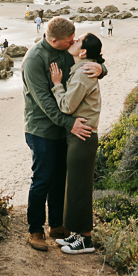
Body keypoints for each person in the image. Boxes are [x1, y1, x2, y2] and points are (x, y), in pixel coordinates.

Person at [21, 16, 107, 252]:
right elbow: (45, 103)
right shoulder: (34, 60)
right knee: (42, 179)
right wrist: (70, 124)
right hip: (41, 129)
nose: (73, 43)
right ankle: (35, 229)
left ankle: (57, 225)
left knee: (60, 179)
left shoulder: (68, 51)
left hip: (65, 129)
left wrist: (101, 68)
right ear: (54, 40)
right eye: (69, 41)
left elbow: (88, 61)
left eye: (75, 40)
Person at [49, 32, 104, 254]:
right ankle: (77, 234)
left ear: (83, 52)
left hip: (83, 136)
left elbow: (66, 107)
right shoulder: (84, 68)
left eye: (78, 40)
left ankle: (86, 241)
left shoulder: (82, 73)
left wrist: (56, 84)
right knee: (74, 187)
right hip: (80, 136)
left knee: (80, 188)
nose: (73, 41)